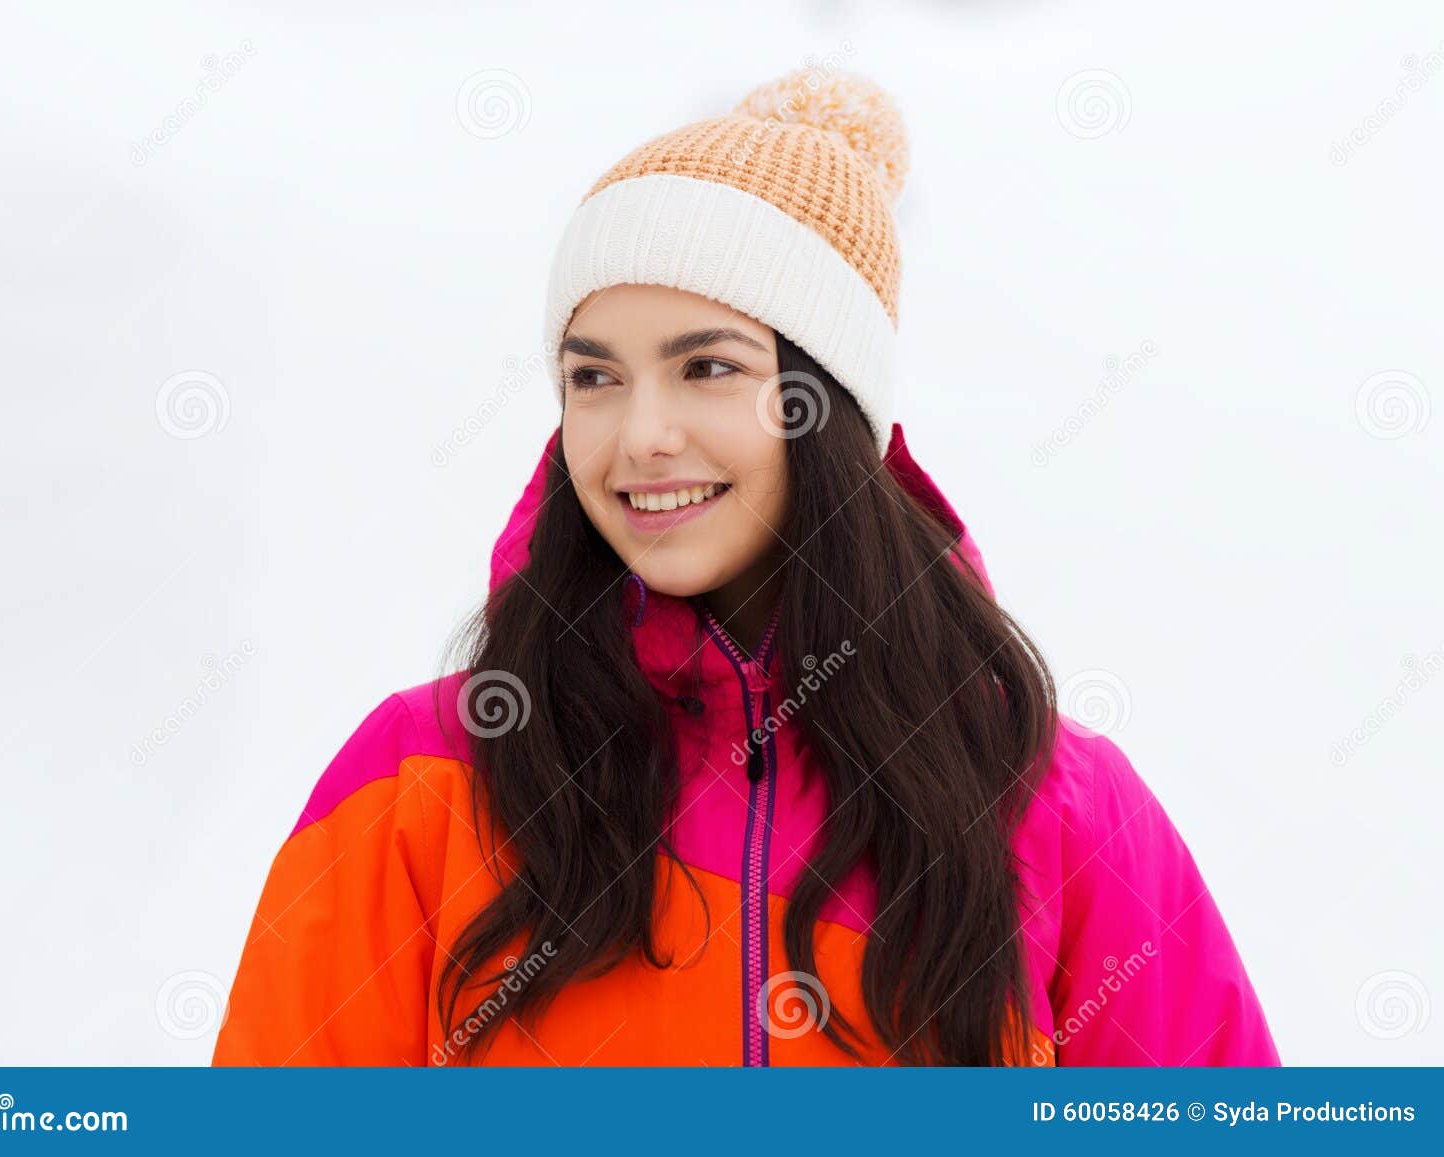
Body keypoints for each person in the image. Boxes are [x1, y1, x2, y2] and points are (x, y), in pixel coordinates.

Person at [212, 69, 1280, 1067]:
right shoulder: (426, 773)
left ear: (831, 407)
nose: (640, 435)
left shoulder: (1048, 797)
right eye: (594, 377)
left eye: (707, 366)